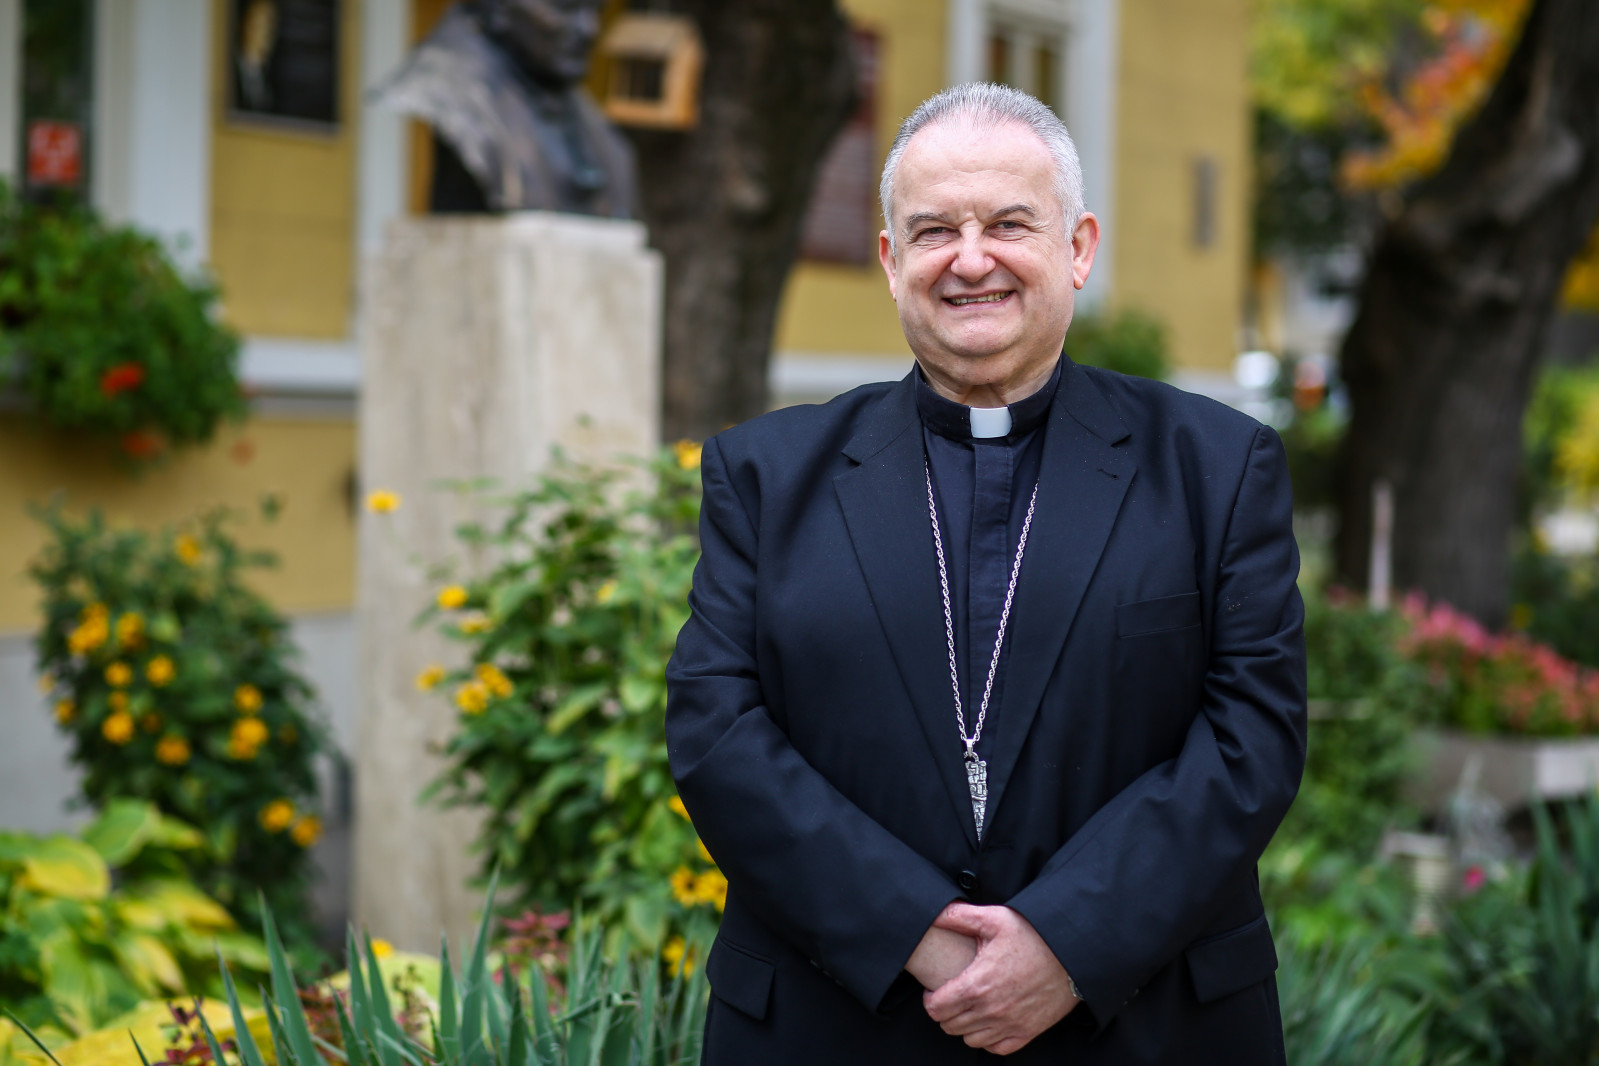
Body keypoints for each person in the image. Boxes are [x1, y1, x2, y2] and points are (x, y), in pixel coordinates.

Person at [665, 83, 1307, 1064]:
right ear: (892, 263)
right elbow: (717, 734)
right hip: (838, 1022)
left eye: (1009, 223)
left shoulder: (1214, 468)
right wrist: (913, 932)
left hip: (1144, 1023)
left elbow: (1251, 735)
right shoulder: (765, 476)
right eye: (934, 232)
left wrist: (1067, 942)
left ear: (1078, 248)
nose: (970, 259)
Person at [377, 0, 635, 217]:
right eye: (565, 7)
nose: (589, 29)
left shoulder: (602, 135)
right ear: (500, 6)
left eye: (595, 9)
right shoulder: (446, 87)